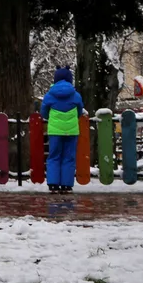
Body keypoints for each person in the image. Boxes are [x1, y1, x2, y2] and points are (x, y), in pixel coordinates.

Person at [41, 66, 84, 194]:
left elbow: (44, 112)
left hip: (55, 132)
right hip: (71, 131)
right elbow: (80, 111)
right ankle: (66, 185)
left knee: (54, 157)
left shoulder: (49, 95)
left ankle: (53, 183)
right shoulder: (76, 95)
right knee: (69, 157)